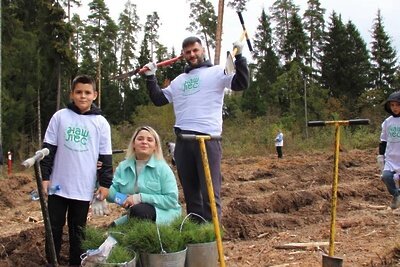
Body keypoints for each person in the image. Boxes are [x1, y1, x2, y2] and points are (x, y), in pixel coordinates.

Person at [143, 36, 249, 222]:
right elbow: (159, 99)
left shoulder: (217, 72)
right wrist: (151, 77)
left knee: (210, 195)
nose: (192, 54)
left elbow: (241, 83)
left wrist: (239, 58)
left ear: (202, 51)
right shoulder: (178, 81)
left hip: (208, 140)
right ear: (183, 54)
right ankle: (197, 240)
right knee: (191, 197)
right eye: (188, 52)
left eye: (195, 50)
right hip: (183, 142)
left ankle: (212, 241)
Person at [40, 75, 113, 266]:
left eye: (87, 92)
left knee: (78, 231)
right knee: (53, 227)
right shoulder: (60, 117)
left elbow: (105, 157)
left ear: (94, 95)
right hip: (57, 186)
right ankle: (52, 261)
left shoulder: (100, 123)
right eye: (78, 92)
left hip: (82, 188)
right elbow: (48, 148)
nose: (83, 96)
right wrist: (44, 177)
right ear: (72, 94)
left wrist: (105, 184)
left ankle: (76, 263)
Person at [107, 126, 181, 225]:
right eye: (140, 139)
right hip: (135, 212)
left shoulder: (163, 169)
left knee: (139, 211)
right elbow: (111, 194)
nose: (144, 142)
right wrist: (125, 200)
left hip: (164, 214)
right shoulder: (123, 167)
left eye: (149, 140)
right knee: (113, 228)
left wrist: (139, 198)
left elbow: (171, 200)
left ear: (155, 146)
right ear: (133, 143)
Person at [377, 90, 400, 209]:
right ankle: (396, 195)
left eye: (397, 105)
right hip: (391, 158)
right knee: (386, 177)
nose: (394, 108)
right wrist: (381, 157)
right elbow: (383, 141)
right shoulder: (387, 122)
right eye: (392, 105)